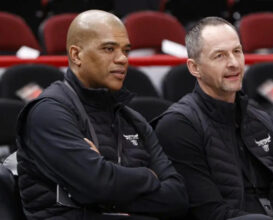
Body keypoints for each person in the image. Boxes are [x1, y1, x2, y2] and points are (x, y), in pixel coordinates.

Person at [16, 10, 188, 220]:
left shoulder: (132, 119)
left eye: (126, 50)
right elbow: (97, 184)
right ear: (76, 55)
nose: (122, 59)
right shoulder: (48, 112)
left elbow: (177, 196)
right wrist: (149, 176)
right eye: (109, 49)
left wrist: (108, 190)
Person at [154, 17, 273, 220]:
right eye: (220, 56)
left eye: (237, 51)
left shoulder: (265, 122)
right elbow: (207, 213)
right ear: (194, 68)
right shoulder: (178, 126)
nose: (234, 63)